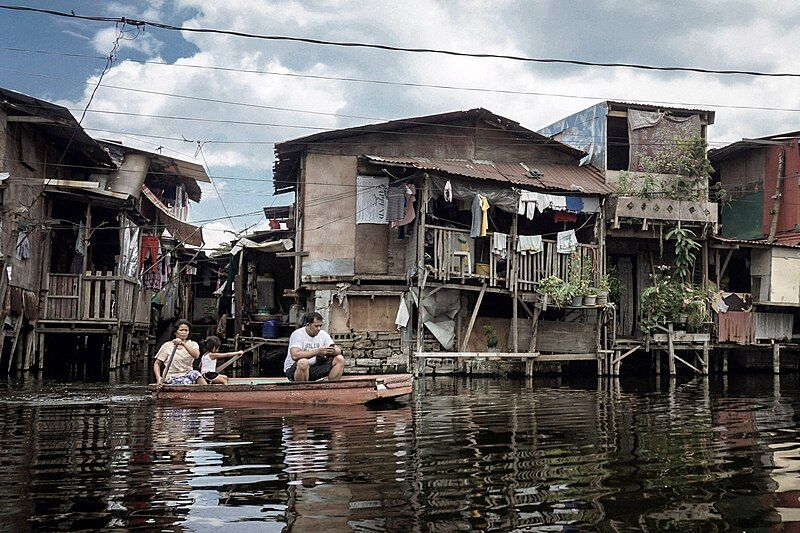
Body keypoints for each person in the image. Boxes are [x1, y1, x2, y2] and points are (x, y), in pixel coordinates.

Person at [284, 312, 344, 382]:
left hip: (314, 367)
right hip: (295, 369)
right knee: (303, 362)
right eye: (316, 326)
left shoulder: (323, 334)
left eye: (320, 326)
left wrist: (333, 351)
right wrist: (317, 351)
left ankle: (331, 387)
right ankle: (302, 390)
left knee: (340, 359)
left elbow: (338, 350)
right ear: (308, 325)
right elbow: (295, 355)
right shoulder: (297, 334)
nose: (319, 328)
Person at [153, 319, 207, 385]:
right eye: (181, 330)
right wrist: (158, 378)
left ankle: (207, 392)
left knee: (197, 374)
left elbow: (196, 355)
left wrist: (183, 344)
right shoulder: (167, 345)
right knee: (186, 382)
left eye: (186, 330)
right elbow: (157, 364)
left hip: (187, 373)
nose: (184, 332)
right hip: (172, 376)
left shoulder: (193, 344)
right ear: (175, 332)